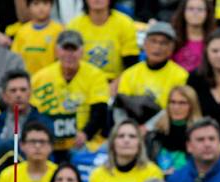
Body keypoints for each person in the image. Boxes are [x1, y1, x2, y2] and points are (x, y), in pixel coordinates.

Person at [30, 29, 110, 159]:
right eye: (65, 49)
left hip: (83, 140)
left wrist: (85, 134)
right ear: (57, 50)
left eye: (73, 49)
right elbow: (32, 112)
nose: (69, 54)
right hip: (49, 140)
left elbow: (100, 111)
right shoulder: (40, 77)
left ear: (82, 51)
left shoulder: (95, 75)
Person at [114, 21, 188, 126]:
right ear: (144, 44)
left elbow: (176, 110)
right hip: (132, 129)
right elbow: (120, 106)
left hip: (165, 127)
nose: (157, 47)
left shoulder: (181, 76)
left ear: (172, 47)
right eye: (153, 41)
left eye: (164, 43)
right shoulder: (129, 74)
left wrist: (147, 128)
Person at [0, 70, 49, 169]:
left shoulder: (42, 122)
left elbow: (42, 150)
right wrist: (12, 144)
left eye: (23, 90)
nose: (18, 95)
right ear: (4, 96)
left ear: (30, 93)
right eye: (13, 90)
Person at [67, 0, 139, 86]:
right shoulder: (74, 25)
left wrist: (115, 86)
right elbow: (68, 63)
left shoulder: (125, 23)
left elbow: (132, 66)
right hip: (82, 84)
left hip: (116, 83)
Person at [147, 85, 203, 175]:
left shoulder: (201, 135)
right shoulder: (154, 135)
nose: (176, 107)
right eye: (172, 102)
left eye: (182, 103)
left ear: (192, 106)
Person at [11, 0, 63, 77]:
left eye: (45, 3)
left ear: (51, 6)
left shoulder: (59, 30)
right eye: (36, 4)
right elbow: (14, 57)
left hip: (50, 79)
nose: (41, 8)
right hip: (27, 80)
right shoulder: (22, 32)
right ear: (28, 7)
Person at [171, 0, 215, 72]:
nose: (195, 13)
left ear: (207, 13)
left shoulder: (214, 38)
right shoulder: (173, 37)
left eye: (200, 9)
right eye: (191, 9)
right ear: (183, 12)